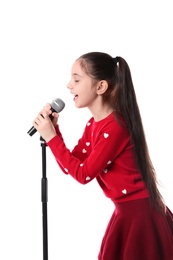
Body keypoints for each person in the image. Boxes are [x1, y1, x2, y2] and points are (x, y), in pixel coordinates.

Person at [33, 52, 173, 259]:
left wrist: (52, 138)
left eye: (76, 79)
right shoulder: (94, 125)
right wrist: (55, 133)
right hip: (125, 213)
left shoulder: (116, 126)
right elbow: (71, 167)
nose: (69, 85)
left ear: (101, 87)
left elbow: (84, 175)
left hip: (139, 216)